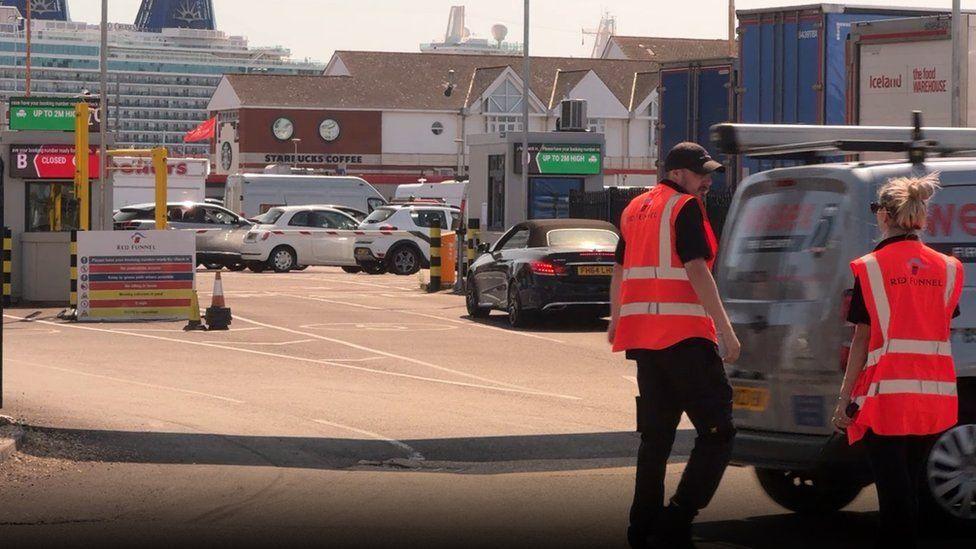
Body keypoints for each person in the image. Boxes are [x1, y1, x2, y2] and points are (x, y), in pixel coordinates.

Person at [608, 142, 741, 549]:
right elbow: (697, 269)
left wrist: (616, 320)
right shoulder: (683, 208)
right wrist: (725, 329)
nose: (707, 181)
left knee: (657, 438)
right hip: (685, 339)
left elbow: (619, 269)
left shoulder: (635, 209)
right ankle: (677, 518)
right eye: (701, 174)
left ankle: (642, 525)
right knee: (719, 433)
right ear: (678, 173)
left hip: (645, 341)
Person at [832, 173, 963, 549]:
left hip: (886, 397)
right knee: (909, 489)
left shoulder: (871, 268)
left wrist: (844, 401)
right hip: (933, 398)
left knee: (894, 497)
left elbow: (861, 338)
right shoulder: (950, 268)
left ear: (885, 216)